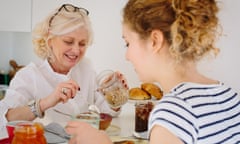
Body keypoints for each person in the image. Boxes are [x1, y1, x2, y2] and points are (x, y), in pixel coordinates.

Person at [65, 0, 240, 144]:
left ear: (155, 41)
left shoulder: (173, 114)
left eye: (128, 43)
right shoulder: (229, 95)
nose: (127, 56)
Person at [0, 3, 128, 134]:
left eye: (82, 43)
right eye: (68, 41)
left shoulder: (85, 68)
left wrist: (114, 94)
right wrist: (45, 103)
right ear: (50, 41)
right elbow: (5, 120)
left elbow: (108, 113)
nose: (76, 50)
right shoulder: (28, 76)